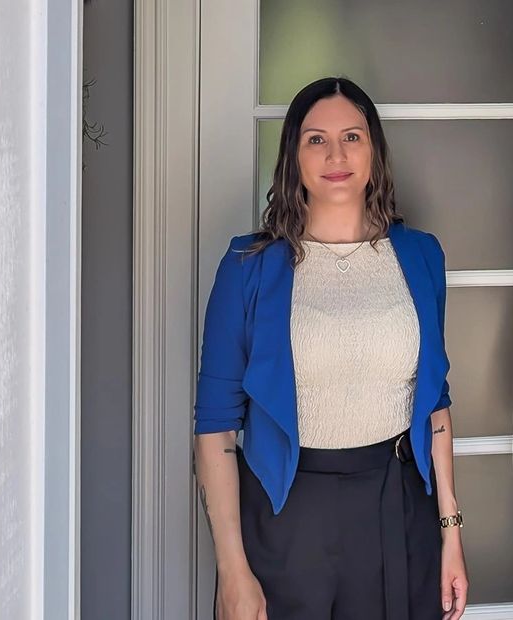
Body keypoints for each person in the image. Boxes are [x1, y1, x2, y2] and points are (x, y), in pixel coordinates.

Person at [193, 77, 468, 620]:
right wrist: (232, 571)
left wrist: (451, 534)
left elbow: (435, 403)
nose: (336, 155)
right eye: (316, 139)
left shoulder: (421, 256)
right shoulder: (247, 268)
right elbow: (216, 429)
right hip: (288, 516)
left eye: (352, 137)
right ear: (293, 157)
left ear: (374, 150)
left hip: (399, 509)